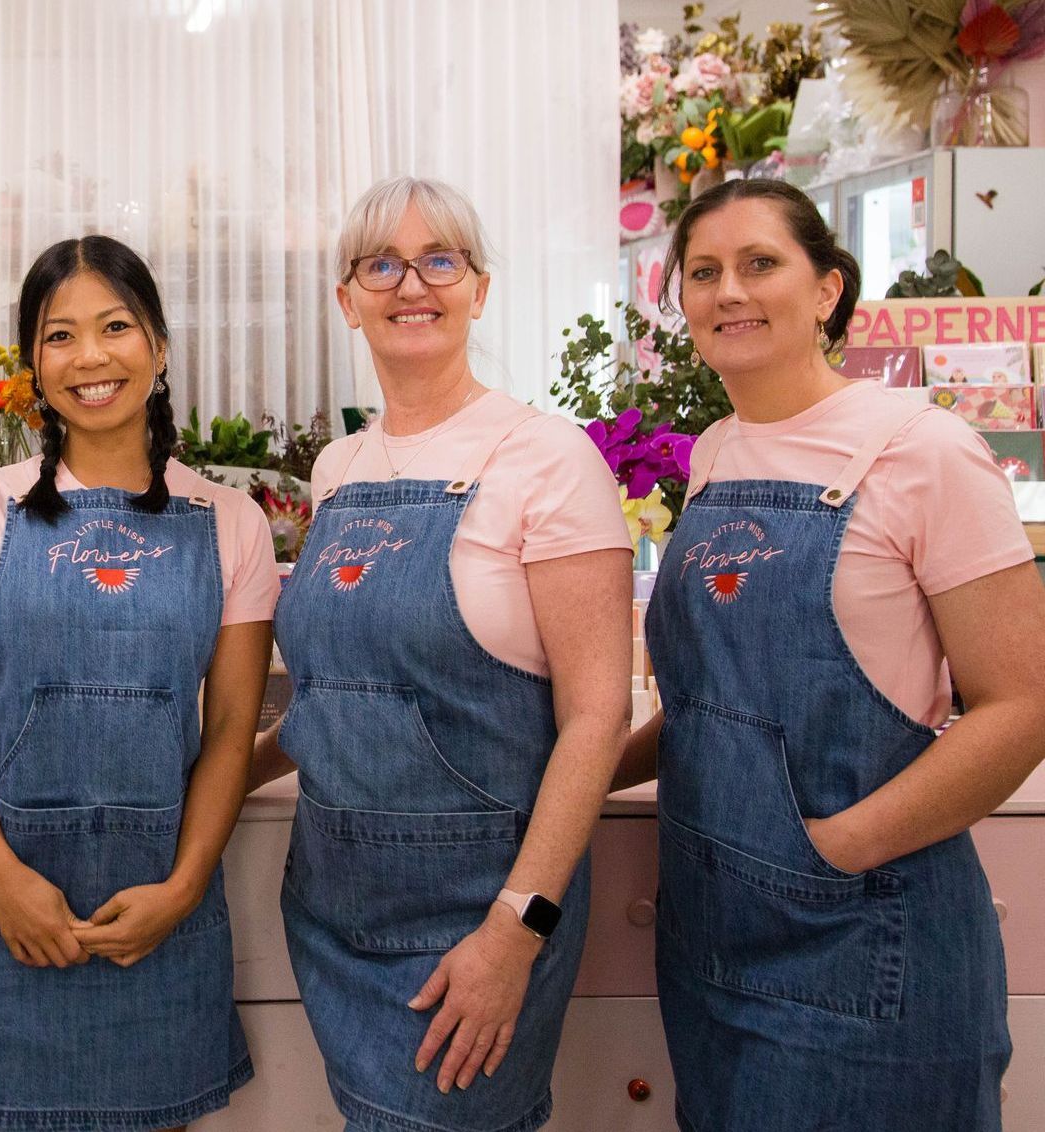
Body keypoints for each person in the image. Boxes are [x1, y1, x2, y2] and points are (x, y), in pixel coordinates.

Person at [615, 177, 1045, 1131]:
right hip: (711, 934)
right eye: (704, 271)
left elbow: (1021, 709)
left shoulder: (922, 451)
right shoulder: (718, 450)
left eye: (761, 263)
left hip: (866, 937)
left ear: (826, 290)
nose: (729, 291)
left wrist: (833, 850)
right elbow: (714, 698)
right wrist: (591, 766)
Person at [251, 175, 633, 1131]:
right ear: (347, 299)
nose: (409, 283)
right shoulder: (339, 468)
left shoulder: (546, 457)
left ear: (480, 287)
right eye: (381, 263)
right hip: (332, 901)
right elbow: (333, 701)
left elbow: (598, 717)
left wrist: (518, 929)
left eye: (439, 260)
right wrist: (210, 777)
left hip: (480, 912)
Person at [0, 235, 277, 1131]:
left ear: (156, 342)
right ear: (34, 363)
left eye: (115, 326)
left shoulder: (229, 521)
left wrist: (184, 889)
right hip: (0, 921)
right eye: (60, 335)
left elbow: (231, 728)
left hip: (154, 916)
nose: (91, 357)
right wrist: (4, 880)